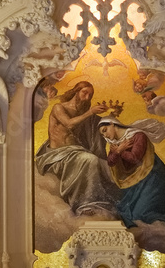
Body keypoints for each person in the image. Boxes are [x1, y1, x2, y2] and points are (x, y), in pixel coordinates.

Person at [35, 81, 118, 215]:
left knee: (107, 168)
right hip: (56, 155)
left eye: (90, 96)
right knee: (90, 160)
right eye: (84, 93)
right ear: (76, 91)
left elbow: (96, 127)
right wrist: (91, 112)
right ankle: (86, 204)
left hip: (75, 153)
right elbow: (69, 124)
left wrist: (110, 114)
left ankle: (103, 204)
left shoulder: (84, 115)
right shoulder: (59, 107)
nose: (86, 98)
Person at [98, 115, 165, 232]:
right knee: (125, 212)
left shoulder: (138, 136)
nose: (105, 135)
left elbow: (135, 159)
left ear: (112, 124)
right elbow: (111, 162)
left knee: (143, 214)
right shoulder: (116, 144)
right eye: (102, 134)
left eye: (105, 130)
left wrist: (120, 151)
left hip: (152, 178)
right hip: (132, 183)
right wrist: (118, 150)